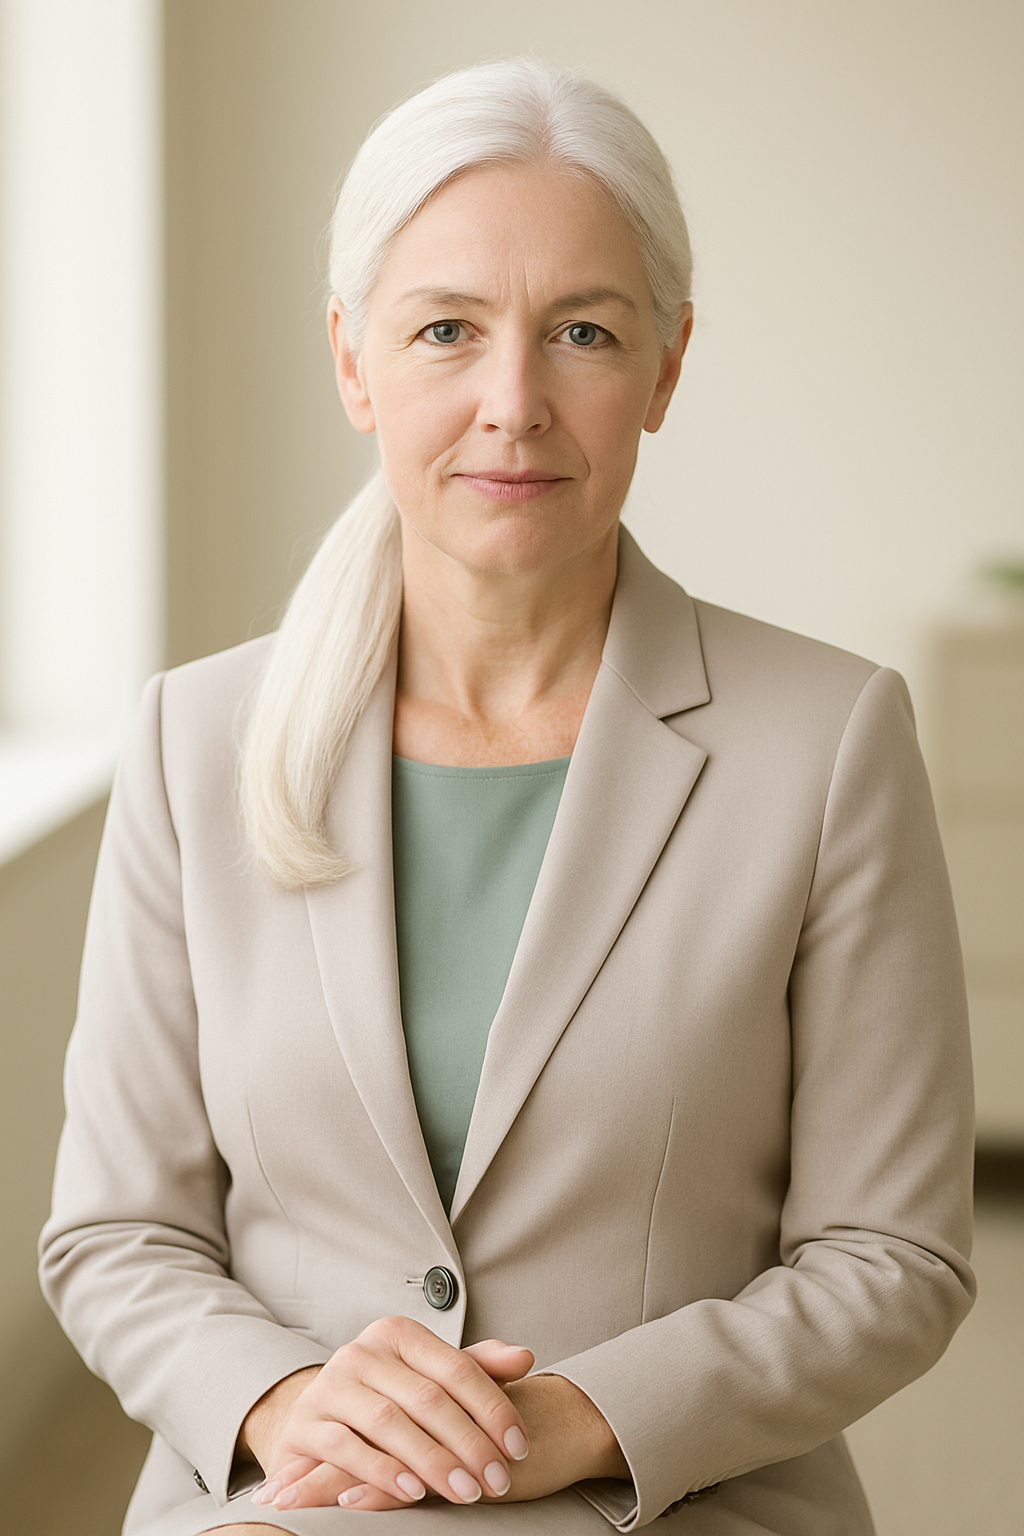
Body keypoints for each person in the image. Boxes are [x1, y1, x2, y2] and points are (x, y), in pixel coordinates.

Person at [39, 57, 975, 1536]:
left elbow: (893, 1256)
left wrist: (586, 1418)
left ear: (665, 366)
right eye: (446, 331)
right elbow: (115, 1235)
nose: (512, 403)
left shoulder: (832, 738)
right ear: (353, 358)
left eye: (583, 332)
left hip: (677, 1506)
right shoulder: (190, 736)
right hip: (287, 1506)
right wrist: (284, 1401)